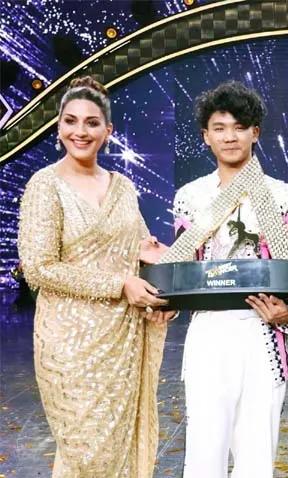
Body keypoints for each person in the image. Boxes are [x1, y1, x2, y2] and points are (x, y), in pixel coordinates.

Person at [17, 76, 174, 477]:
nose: (80, 131)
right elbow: (38, 267)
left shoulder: (123, 187)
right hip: (68, 344)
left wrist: (162, 271)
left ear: (108, 131)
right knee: (86, 451)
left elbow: (141, 246)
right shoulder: (45, 185)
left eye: (91, 122)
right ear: (58, 128)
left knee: (117, 448)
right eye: (70, 121)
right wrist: (118, 284)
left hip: (122, 339)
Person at [172, 81, 288, 478]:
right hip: (209, 331)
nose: (230, 136)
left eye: (239, 127)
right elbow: (184, 267)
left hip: (264, 333)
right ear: (206, 136)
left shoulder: (285, 196)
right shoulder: (190, 197)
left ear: (255, 132)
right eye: (219, 128)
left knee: (257, 457)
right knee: (204, 454)